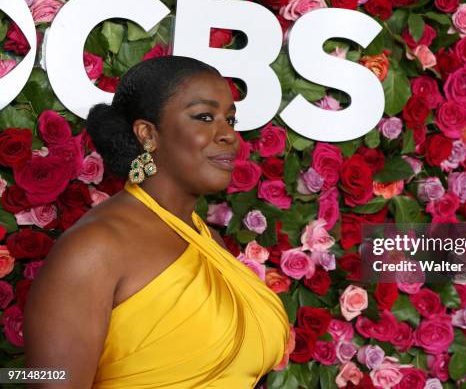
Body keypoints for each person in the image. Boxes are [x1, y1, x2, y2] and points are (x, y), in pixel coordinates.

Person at [23, 56, 291, 388]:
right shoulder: (94, 249)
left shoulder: (208, 241)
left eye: (230, 121)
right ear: (148, 134)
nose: (229, 136)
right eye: (205, 117)